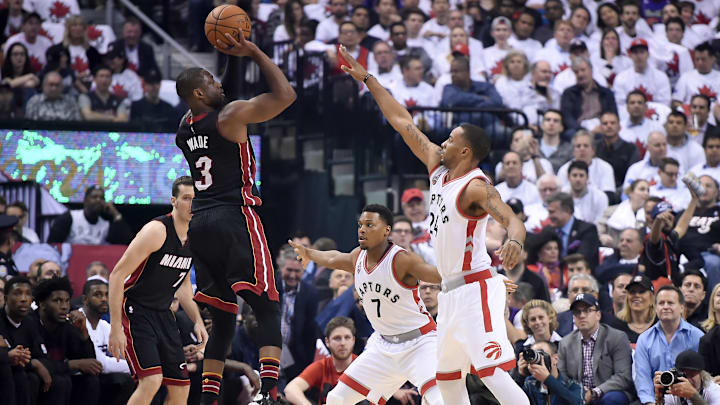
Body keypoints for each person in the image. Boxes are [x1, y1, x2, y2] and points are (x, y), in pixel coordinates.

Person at [339, 43, 530, 405]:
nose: (442, 141)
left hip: (476, 289)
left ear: (465, 151)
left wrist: (515, 241)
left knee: (492, 374)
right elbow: (402, 121)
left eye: (451, 139)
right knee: (448, 380)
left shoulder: (475, 186)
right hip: (450, 294)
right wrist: (367, 78)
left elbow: (511, 220)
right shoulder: (438, 170)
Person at [174, 31, 296, 405]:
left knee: (224, 318)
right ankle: (272, 393)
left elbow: (213, 94)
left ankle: (210, 400)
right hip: (235, 217)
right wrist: (255, 52)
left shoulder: (184, 127)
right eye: (211, 83)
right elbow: (285, 96)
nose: (220, 86)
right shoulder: (230, 117)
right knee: (267, 304)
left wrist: (230, 55)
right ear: (199, 93)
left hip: (201, 223)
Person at [289, 204, 444, 404]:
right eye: (361, 224)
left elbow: (441, 275)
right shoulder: (358, 257)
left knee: (439, 400)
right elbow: (334, 257)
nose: (362, 229)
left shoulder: (401, 260)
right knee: (337, 398)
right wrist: (310, 253)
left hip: (420, 343)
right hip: (383, 345)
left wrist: (476, 274)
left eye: (370, 225)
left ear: (387, 230)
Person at [107, 176, 209, 405]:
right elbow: (117, 275)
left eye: (197, 199)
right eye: (186, 198)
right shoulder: (157, 230)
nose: (192, 205)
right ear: (173, 201)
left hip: (163, 313)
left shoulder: (198, 237)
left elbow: (182, 286)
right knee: (152, 381)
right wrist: (115, 327)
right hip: (135, 310)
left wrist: (198, 321)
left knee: (181, 388)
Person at [33, 277, 101, 404]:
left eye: (67, 301)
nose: (64, 307)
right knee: (60, 382)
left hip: (61, 378)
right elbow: (35, 362)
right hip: (37, 381)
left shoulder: (67, 325)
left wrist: (84, 332)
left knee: (91, 381)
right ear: (42, 304)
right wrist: (73, 364)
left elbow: (90, 362)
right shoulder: (30, 324)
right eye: (57, 301)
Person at [634, 285, 705, 405]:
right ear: (655, 308)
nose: (665, 307)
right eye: (661, 303)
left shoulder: (697, 336)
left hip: (688, 398)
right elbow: (643, 379)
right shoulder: (644, 339)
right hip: (656, 399)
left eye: (670, 303)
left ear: (682, 307)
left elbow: (702, 374)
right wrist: (651, 402)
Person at [558, 294, 634, 405]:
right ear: (573, 318)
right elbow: (563, 377)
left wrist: (594, 392)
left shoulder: (617, 338)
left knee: (612, 399)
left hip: (608, 392)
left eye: (587, 310)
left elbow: (623, 376)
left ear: (598, 315)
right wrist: (578, 391)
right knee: (558, 397)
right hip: (578, 393)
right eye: (577, 312)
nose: (582, 315)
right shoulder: (565, 343)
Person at [81, 277, 134, 405]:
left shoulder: (104, 325)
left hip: (99, 377)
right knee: (121, 379)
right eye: (97, 295)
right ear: (85, 299)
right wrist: (136, 367)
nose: (104, 299)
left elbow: (125, 354)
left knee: (141, 379)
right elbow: (100, 364)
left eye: (106, 294)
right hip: (80, 377)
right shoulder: (78, 321)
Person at [283, 316, 358, 405]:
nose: (342, 343)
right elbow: (291, 389)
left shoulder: (363, 365)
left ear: (353, 340)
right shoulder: (322, 366)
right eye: (337, 338)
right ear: (327, 342)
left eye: (347, 337)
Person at [47, 185, 133, 245]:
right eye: (94, 197)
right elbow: (53, 245)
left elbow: (126, 241)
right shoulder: (70, 217)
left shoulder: (105, 225)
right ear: (85, 200)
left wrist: (115, 213)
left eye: (102, 198)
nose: (98, 200)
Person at [546, 192, 601, 269]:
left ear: (567, 211)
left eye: (552, 212)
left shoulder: (588, 230)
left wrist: (557, 264)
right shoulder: (548, 230)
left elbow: (582, 257)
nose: (549, 216)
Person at [520, 340, 583, 405]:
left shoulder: (572, 384)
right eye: (534, 355)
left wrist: (548, 379)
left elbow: (578, 403)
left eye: (541, 354)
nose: (538, 360)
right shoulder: (529, 384)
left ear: (555, 359)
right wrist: (520, 376)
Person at [653, 350, 720, 405]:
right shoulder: (673, 390)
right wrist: (659, 399)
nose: (687, 380)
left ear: (701, 375)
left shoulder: (713, 390)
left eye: (691, 375)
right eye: (684, 375)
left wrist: (694, 396)